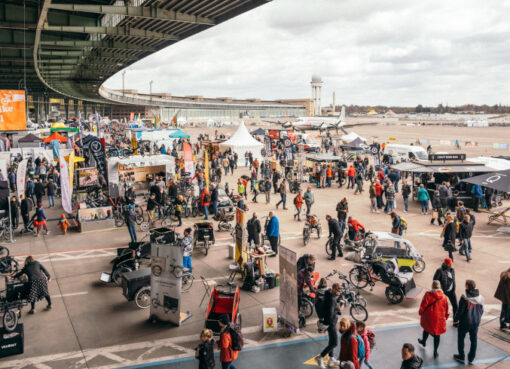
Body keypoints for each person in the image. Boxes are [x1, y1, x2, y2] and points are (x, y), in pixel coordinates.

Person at [453, 280, 484, 364]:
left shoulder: (464, 298)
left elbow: (460, 311)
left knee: (461, 339)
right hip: (475, 322)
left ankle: (461, 356)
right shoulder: (480, 297)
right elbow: (482, 310)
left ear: (466, 286)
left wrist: (455, 319)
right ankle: (471, 358)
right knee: (474, 340)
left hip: (465, 322)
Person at [417, 280, 449, 358]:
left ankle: (423, 341)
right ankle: (435, 351)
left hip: (429, 317)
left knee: (426, 329)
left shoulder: (428, 295)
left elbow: (423, 305)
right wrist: (446, 316)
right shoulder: (444, 297)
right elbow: (446, 308)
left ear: (432, 286)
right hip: (438, 318)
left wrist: (420, 313)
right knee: (437, 334)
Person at [315, 283, 343, 369]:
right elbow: (330, 314)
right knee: (334, 343)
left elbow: (329, 309)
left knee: (331, 341)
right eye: (338, 291)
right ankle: (320, 357)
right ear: (334, 289)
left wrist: (337, 309)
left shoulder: (328, 294)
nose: (339, 293)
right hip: (331, 324)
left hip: (329, 323)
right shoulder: (331, 300)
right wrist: (339, 309)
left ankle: (331, 359)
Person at [433, 258, 458, 323]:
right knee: (441, 307)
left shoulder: (452, 270)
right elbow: (435, 281)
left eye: (451, 264)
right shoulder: (439, 270)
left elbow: (453, 279)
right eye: (449, 264)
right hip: (443, 292)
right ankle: (439, 320)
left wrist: (453, 287)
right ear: (446, 264)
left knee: (455, 305)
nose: (450, 265)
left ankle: (455, 321)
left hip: (452, 291)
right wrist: (439, 290)